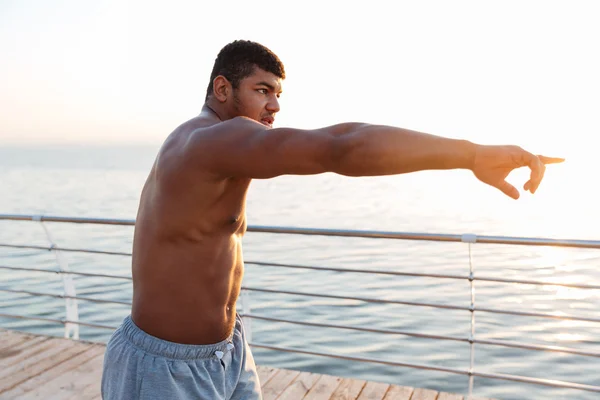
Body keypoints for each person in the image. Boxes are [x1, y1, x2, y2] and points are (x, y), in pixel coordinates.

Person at [100, 39, 563, 399]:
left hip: (227, 351)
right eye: (262, 91)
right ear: (223, 89)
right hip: (168, 368)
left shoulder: (216, 147)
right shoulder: (208, 142)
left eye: (278, 94)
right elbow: (341, 147)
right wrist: (470, 155)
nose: (275, 107)